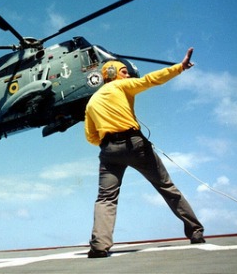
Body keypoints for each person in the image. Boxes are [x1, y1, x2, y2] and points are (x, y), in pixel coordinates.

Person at [84, 47, 205, 258]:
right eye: (123, 71)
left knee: (106, 198)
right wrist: (179, 68)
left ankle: (99, 246)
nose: (128, 74)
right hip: (135, 144)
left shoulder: (92, 101)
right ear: (112, 74)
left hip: (109, 150)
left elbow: (91, 136)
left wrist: (110, 141)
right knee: (166, 186)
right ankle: (195, 231)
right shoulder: (121, 86)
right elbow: (150, 80)